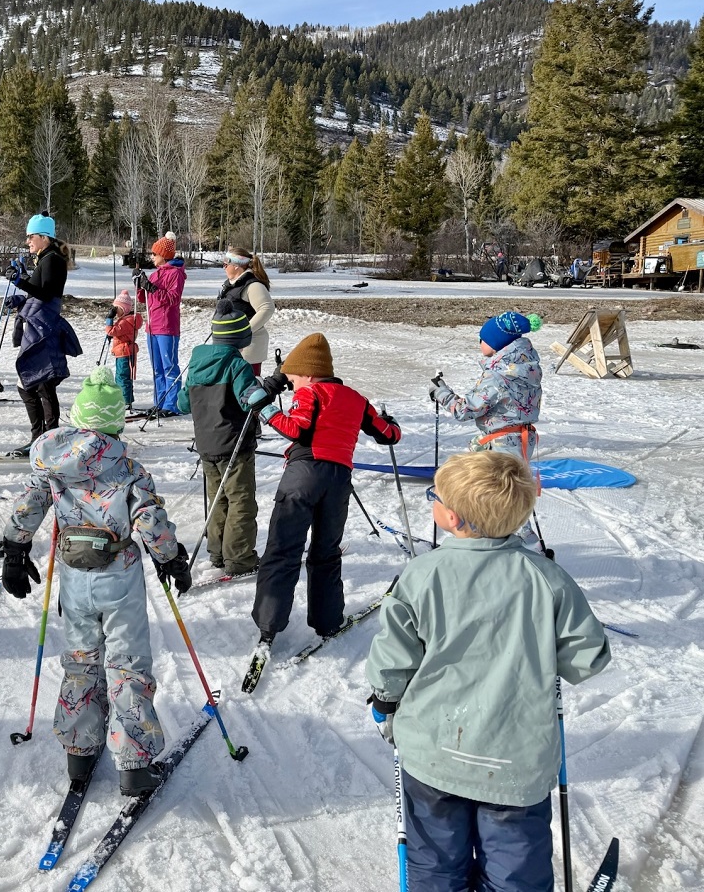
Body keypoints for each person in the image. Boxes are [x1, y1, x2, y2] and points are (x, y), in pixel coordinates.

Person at [365, 451, 610, 892]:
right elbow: (587, 658)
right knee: (516, 867)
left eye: (435, 497)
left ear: (453, 518)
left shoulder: (421, 575)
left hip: (434, 752)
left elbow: (393, 660)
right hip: (515, 761)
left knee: (435, 861)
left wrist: (384, 702)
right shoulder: (547, 578)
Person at [0, 366, 190, 796]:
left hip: (74, 578)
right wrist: (171, 558)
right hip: (118, 579)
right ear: (116, 422)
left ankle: (80, 752)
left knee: (82, 659)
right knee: (126, 663)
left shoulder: (54, 463)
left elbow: (28, 506)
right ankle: (134, 765)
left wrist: (14, 550)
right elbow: (150, 522)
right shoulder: (129, 469)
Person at [239, 332, 401, 647]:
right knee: (326, 552)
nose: (292, 386)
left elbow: (295, 429)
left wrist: (264, 408)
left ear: (310, 373)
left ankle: (269, 625)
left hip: (303, 475)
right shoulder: (357, 399)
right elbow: (389, 435)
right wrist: (389, 421)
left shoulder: (310, 392)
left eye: (294, 379)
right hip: (338, 481)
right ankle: (328, 621)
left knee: (283, 549)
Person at [177, 301, 260, 577]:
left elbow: (182, 404)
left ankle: (217, 552)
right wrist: (262, 391)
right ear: (241, 338)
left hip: (207, 446)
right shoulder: (237, 365)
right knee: (241, 501)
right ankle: (239, 558)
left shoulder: (196, 364)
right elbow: (249, 401)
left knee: (217, 499)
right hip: (235, 446)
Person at [3, 213, 81, 455]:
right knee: (32, 384)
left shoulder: (52, 260)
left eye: (31, 236)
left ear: (44, 237)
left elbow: (47, 294)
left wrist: (20, 282)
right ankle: (42, 437)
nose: (28, 241)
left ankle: (46, 438)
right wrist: (21, 294)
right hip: (38, 326)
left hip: (43, 329)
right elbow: (39, 292)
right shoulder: (46, 258)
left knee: (41, 384)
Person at [429, 312, 543, 463]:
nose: (480, 343)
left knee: (497, 478)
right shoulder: (527, 368)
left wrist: (441, 392)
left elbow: (464, 411)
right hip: (522, 440)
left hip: (501, 446)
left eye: (482, 339)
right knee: (514, 476)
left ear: (496, 342)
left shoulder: (497, 375)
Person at [133, 233, 187, 415]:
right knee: (157, 368)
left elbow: (172, 299)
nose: (152, 257)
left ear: (164, 255)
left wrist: (151, 287)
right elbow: (145, 298)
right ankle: (160, 402)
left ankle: (172, 405)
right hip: (152, 326)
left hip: (167, 326)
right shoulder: (155, 274)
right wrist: (140, 285)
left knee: (169, 366)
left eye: (155, 254)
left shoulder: (175, 274)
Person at [217, 247, 275, 373]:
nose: (223, 268)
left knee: (247, 384)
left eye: (226, 264)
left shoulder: (253, 285)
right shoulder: (233, 284)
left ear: (236, 266)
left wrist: (244, 332)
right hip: (232, 346)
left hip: (248, 349)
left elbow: (267, 308)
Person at [106, 289, 142, 406]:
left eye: (117, 308)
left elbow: (111, 331)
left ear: (124, 309)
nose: (115, 311)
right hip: (123, 352)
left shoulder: (127, 321)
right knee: (122, 377)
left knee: (123, 377)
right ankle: (123, 399)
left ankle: (126, 402)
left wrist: (109, 319)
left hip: (124, 353)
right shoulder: (127, 320)